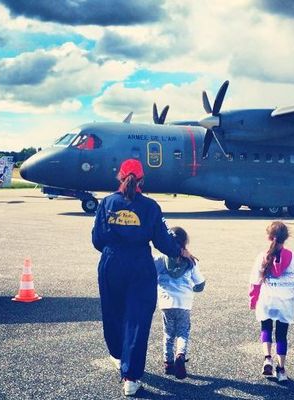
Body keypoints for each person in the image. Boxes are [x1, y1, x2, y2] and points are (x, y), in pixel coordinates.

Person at [92, 159, 192, 397]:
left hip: (111, 263)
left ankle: (118, 355)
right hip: (140, 266)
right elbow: (162, 241)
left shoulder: (106, 203)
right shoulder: (150, 206)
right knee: (137, 321)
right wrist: (180, 251)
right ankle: (131, 377)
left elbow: (97, 240)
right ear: (142, 181)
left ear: (120, 178)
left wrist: (114, 249)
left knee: (113, 314)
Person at [249, 221, 294, 382]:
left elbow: (255, 282)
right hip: (286, 303)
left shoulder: (262, 256)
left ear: (268, 237)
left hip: (267, 301)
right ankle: (281, 369)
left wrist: (253, 299)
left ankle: (267, 358)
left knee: (266, 328)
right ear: (286, 238)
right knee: (281, 335)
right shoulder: (293, 257)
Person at [154, 226, 205, 380]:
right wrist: (192, 288)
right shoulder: (190, 262)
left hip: (166, 303)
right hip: (184, 303)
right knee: (182, 332)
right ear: (184, 242)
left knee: (168, 333)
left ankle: (168, 363)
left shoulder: (159, 259)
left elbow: (149, 275)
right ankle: (180, 355)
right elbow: (200, 284)